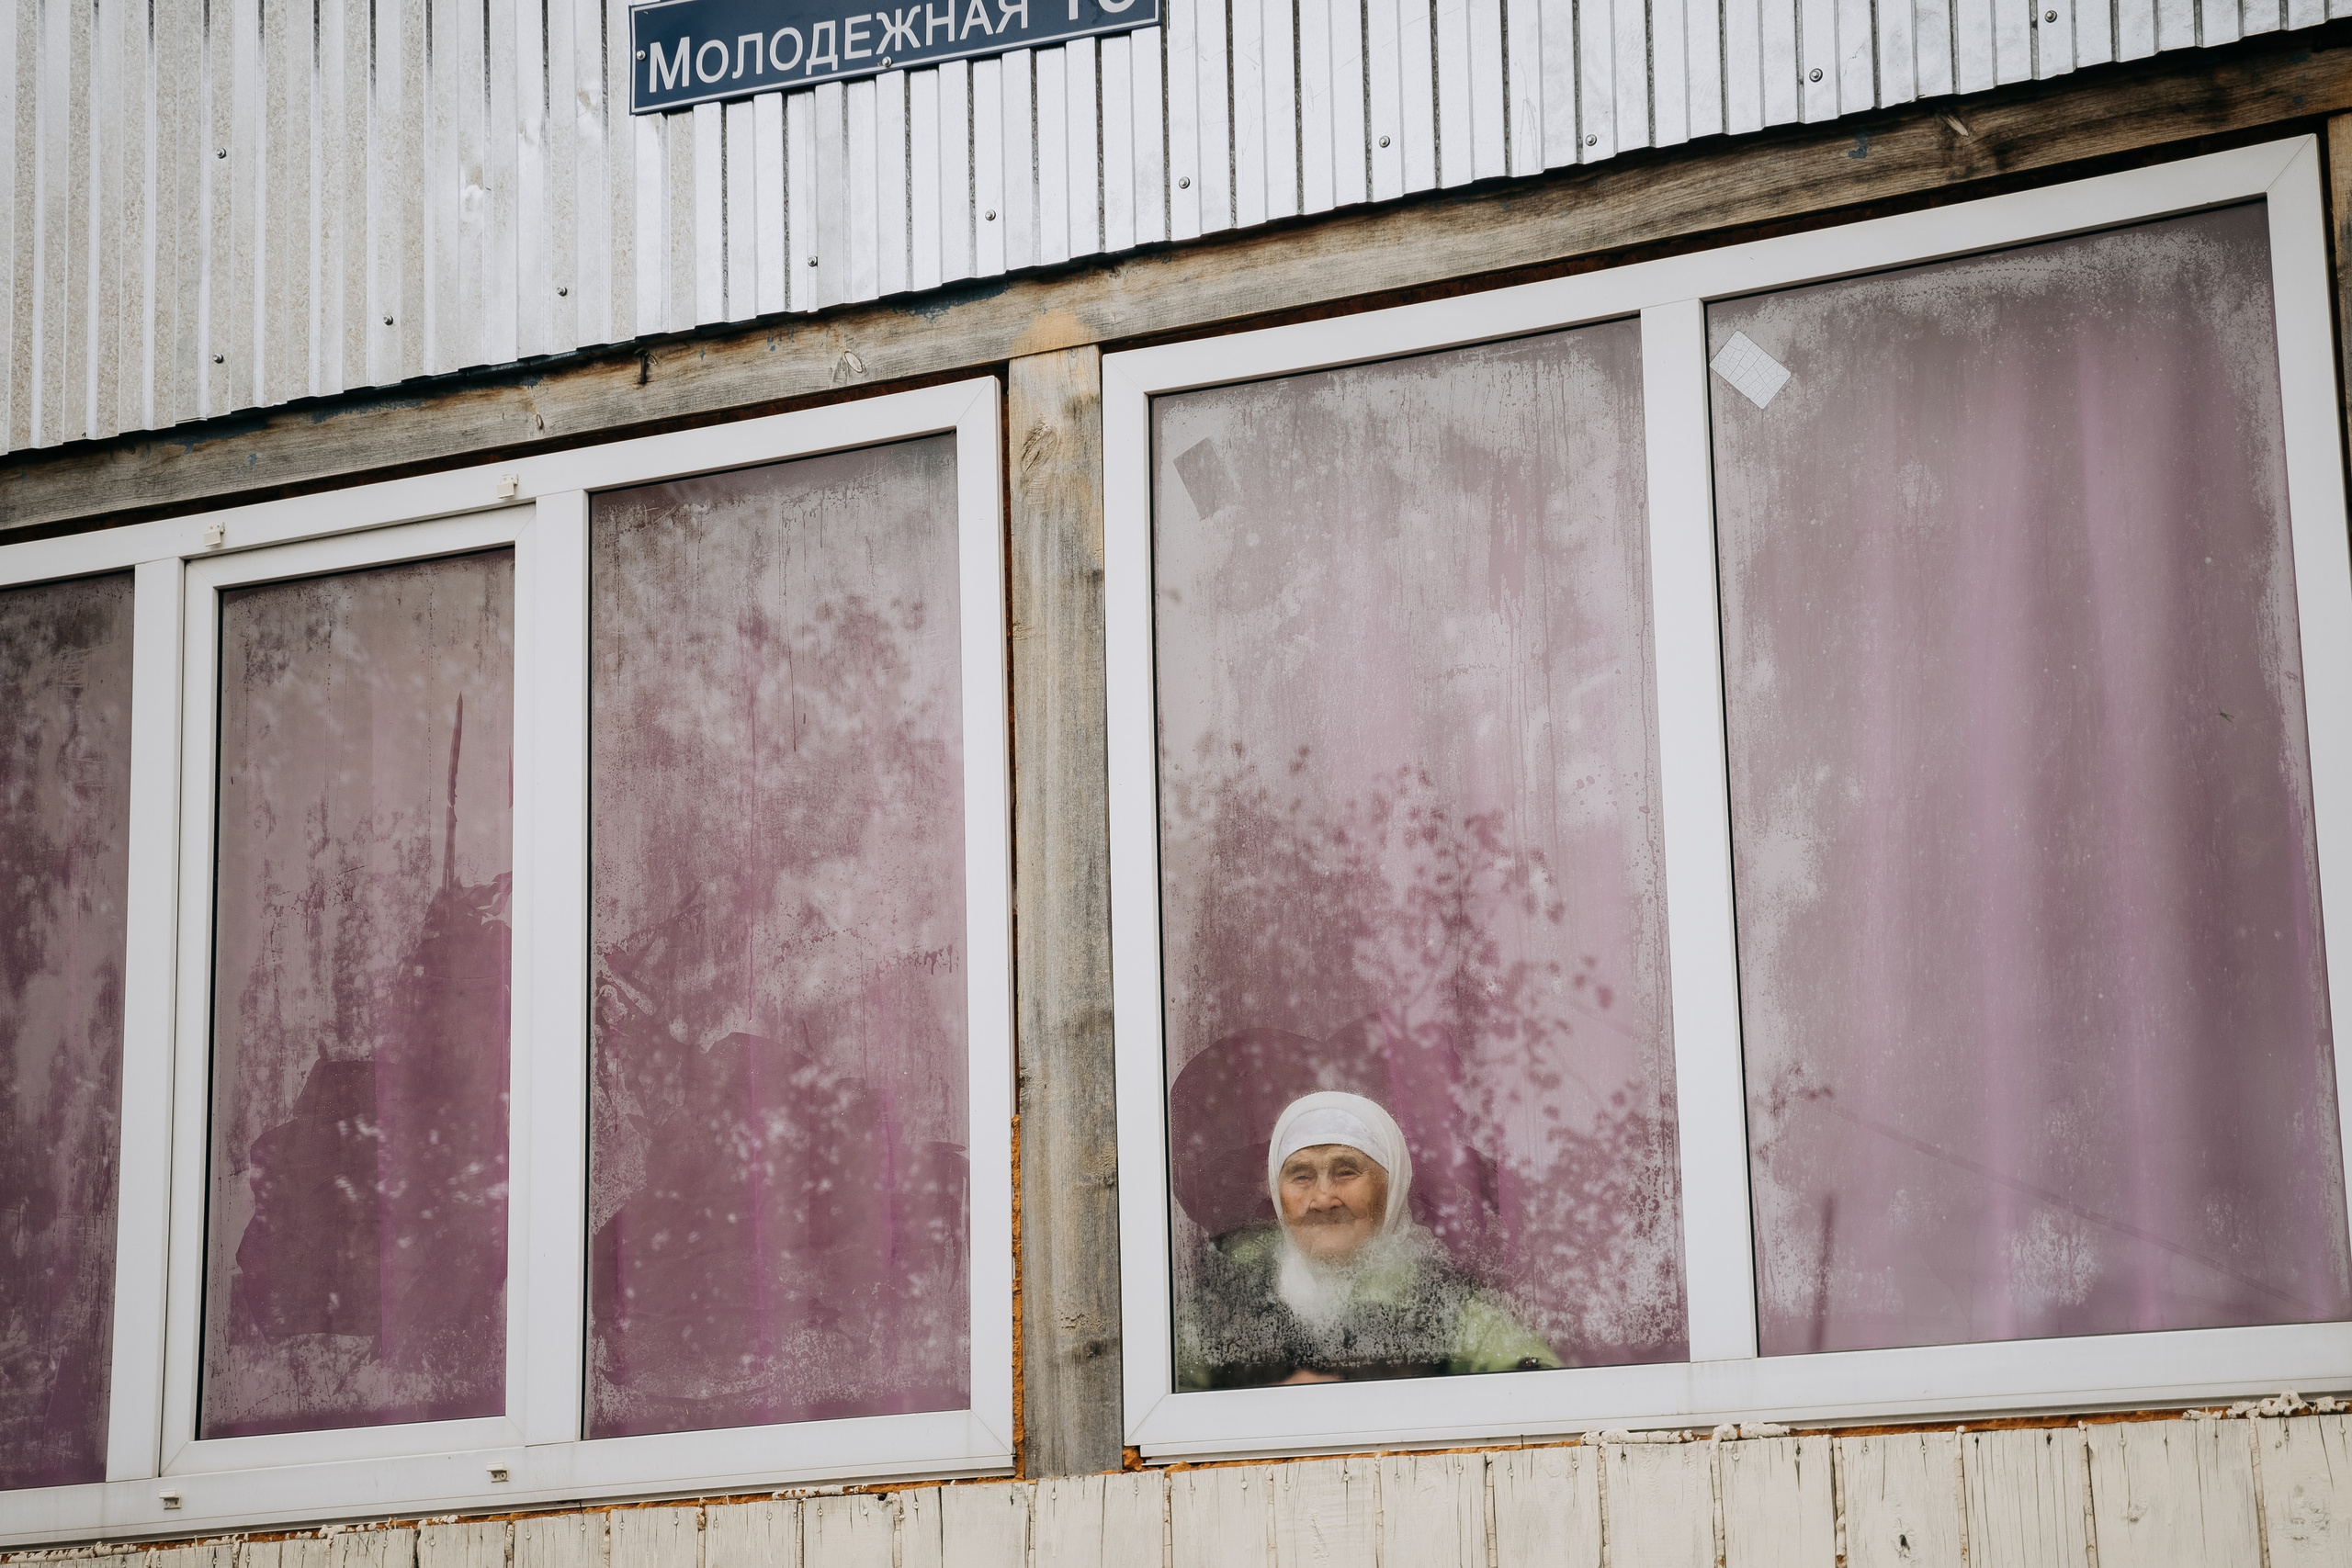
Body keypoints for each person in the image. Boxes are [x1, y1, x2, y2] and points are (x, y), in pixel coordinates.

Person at [1176, 1089, 1562, 1389]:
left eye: (1346, 1172)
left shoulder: (1442, 1303)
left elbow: (1539, 1392)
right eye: (1301, 1176)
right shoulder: (1228, 1295)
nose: (1323, 1199)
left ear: (1391, 1187)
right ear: (1278, 1195)